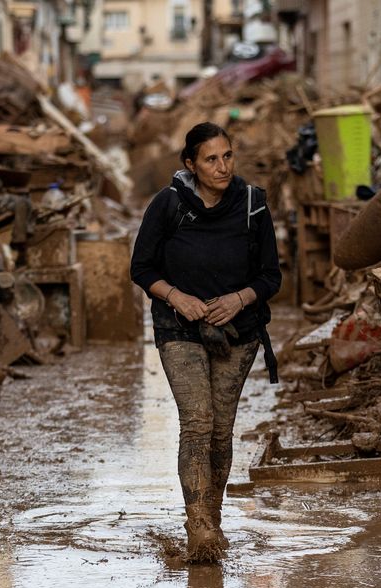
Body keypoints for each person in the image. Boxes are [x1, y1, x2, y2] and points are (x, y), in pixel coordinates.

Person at [130, 122, 281, 563]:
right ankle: (198, 526)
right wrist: (178, 297)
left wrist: (238, 299)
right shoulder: (169, 204)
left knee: (220, 429)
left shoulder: (253, 205)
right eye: (211, 159)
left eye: (228, 156)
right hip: (179, 329)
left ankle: (212, 520)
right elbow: (141, 269)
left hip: (240, 331)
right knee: (198, 423)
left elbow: (271, 276)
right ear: (190, 165)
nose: (222, 166)